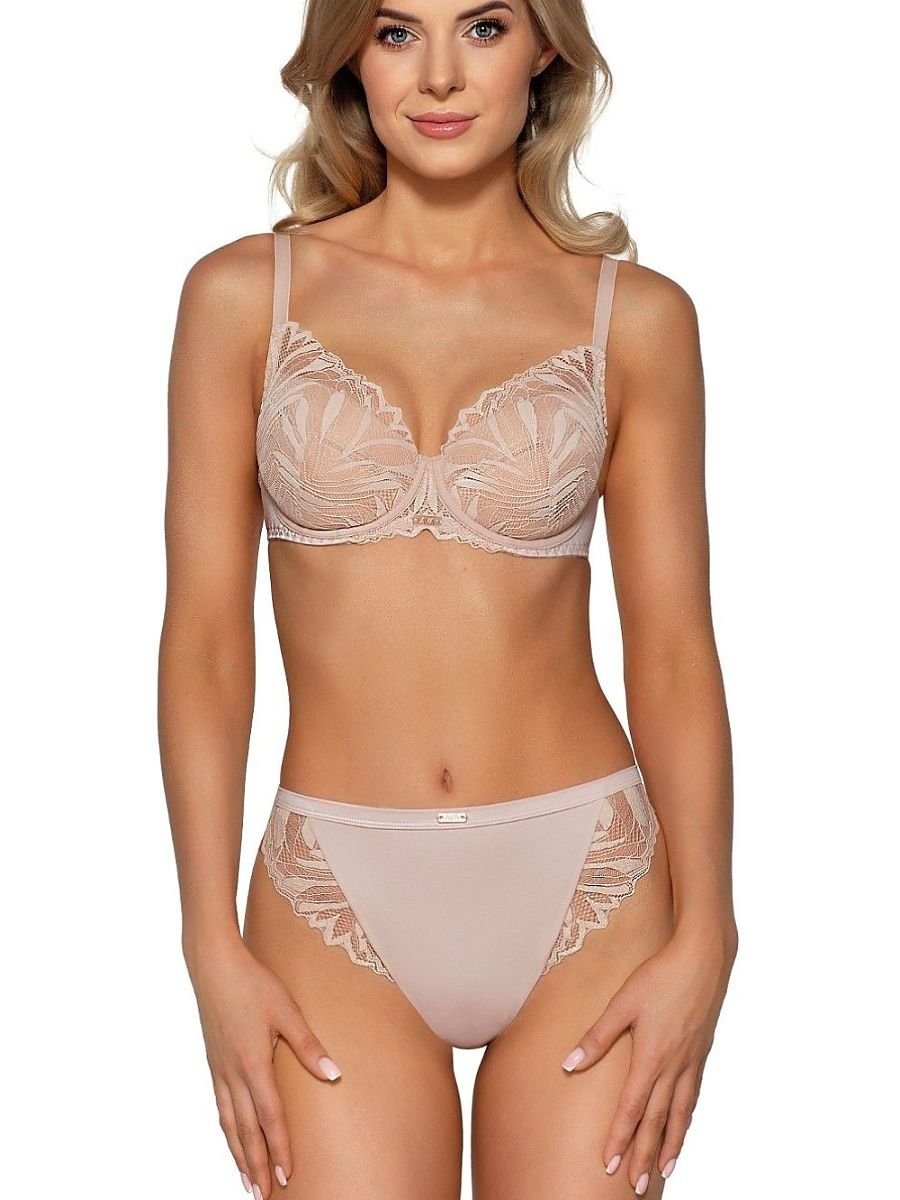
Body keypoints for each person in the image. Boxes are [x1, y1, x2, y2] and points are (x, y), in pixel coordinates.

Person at [157, 1, 738, 1197]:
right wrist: (207, 939)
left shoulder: (636, 318)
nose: (436, 75)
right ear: (349, 57)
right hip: (331, 896)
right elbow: (207, 645)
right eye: (393, 31)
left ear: (545, 48)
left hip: (591, 879)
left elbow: (675, 651)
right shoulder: (241, 298)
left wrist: (710, 934)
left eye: (481, 27)